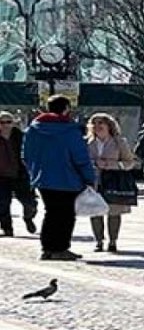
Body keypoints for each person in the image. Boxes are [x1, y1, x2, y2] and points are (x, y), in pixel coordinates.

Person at [22, 96, 97, 261]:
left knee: (51, 212)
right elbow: (80, 157)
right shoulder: (70, 131)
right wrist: (89, 178)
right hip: (68, 178)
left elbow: (26, 156)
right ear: (66, 108)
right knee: (66, 215)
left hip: (43, 178)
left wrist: (35, 172)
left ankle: (47, 248)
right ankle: (61, 248)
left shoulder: (33, 130)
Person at [86, 113, 137, 253]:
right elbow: (81, 161)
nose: (97, 126)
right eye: (94, 123)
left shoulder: (120, 142)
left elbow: (130, 163)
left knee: (114, 212)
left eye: (100, 123)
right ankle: (98, 241)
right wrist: (93, 164)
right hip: (94, 181)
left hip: (114, 181)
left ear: (109, 125)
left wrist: (111, 164)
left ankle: (113, 241)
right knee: (95, 211)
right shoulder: (87, 142)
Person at [0, 111, 36, 236]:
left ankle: (28, 218)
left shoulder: (21, 136)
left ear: (13, 123)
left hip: (20, 174)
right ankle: (7, 228)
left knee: (29, 202)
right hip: (2, 177)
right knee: (3, 203)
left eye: (8, 122)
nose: (5, 125)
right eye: (1, 122)